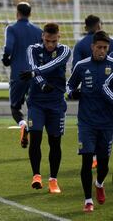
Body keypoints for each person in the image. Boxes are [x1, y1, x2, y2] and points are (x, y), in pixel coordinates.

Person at [20, 23, 71, 193]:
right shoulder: (32, 49)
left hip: (56, 102)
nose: (50, 45)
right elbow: (33, 68)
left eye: (54, 41)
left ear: (59, 37)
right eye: (48, 41)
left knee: (55, 141)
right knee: (36, 137)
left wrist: (35, 74)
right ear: (42, 36)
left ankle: (53, 180)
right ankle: (36, 176)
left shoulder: (65, 50)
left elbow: (54, 65)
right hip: (37, 101)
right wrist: (41, 85)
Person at [67, 30, 113, 212]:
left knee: (104, 164)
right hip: (86, 123)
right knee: (86, 160)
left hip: (107, 123)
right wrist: (72, 93)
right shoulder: (81, 65)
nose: (102, 51)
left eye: (105, 48)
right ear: (92, 47)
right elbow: (69, 85)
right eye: (99, 47)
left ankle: (99, 183)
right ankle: (88, 200)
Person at [1, 2, 42, 148]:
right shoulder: (38, 31)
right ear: (30, 14)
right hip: (34, 74)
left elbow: (8, 48)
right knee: (34, 106)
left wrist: (6, 59)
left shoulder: (11, 28)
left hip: (18, 74)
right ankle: (33, 129)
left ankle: (23, 124)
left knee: (15, 108)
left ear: (17, 12)